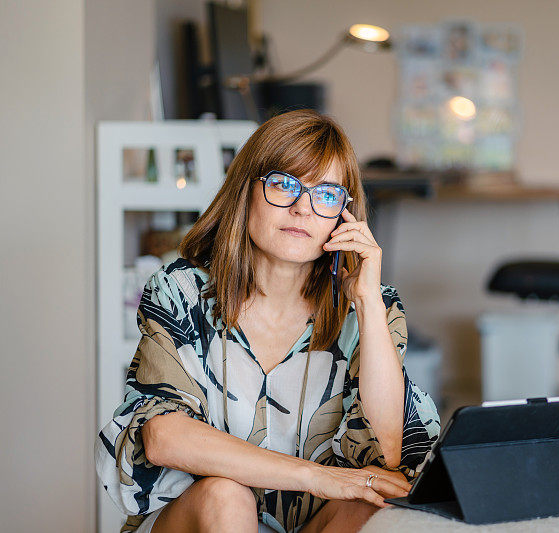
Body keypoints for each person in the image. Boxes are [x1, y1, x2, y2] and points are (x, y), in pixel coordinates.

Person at [95, 109, 441, 533]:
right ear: (246, 190)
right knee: (226, 496)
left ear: (344, 215)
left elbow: (388, 454)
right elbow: (163, 436)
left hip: (312, 522)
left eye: (326, 194)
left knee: (375, 510)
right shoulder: (181, 291)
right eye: (283, 184)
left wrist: (367, 300)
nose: (303, 209)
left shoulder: (371, 307)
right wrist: (316, 476)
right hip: (202, 519)